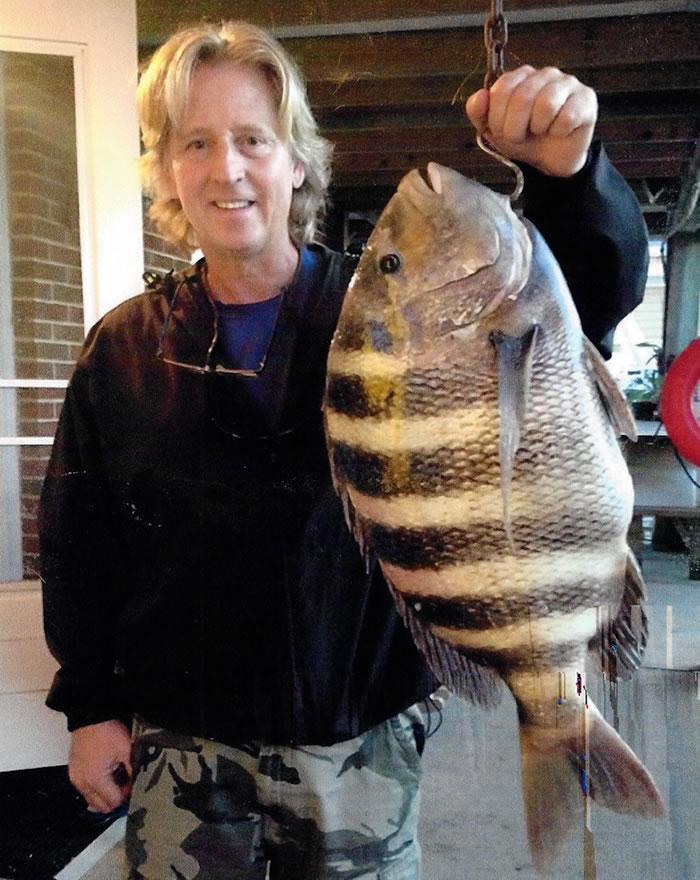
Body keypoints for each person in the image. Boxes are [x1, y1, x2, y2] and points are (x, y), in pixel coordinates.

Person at [39, 20, 648, 880]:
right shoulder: (123, 347)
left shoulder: (390, 315)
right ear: (168, 168)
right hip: (182, 745)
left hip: (359, 738)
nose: (227, 169)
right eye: (196, 143)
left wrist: (570, 180)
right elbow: (77, 543)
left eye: (253, 139)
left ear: (296, 161)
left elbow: (580, 300)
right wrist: (89, 709)